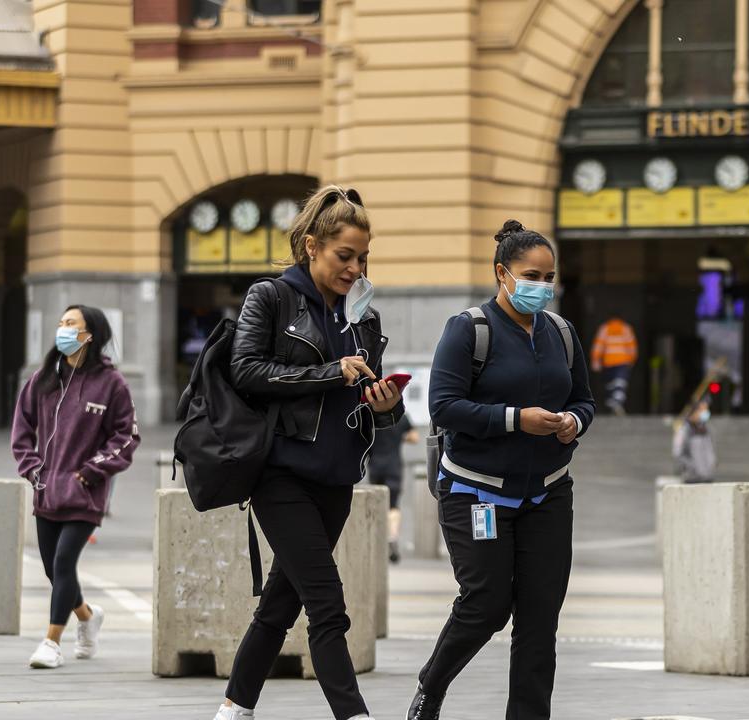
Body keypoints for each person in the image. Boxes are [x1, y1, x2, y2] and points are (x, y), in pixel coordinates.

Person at [213, 185, 402, 720]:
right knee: (327, 605)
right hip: (280, 473)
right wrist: (327, 372)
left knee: (281, 603)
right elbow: (245, 370)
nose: (355, 267)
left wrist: (385, 404)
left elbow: (368, 402)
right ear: (313, 245)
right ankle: (354, 714)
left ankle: (234, 707)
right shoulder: (271, 297)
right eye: (346, 255)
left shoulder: (363, 315)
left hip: (336, 478)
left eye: (363, 257)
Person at [410, 219, 595, 720]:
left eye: (549, 277)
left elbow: (584, 400)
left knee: (540, 620)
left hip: (549, 493)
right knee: (486, 605)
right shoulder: (468, 329)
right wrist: (518, 420)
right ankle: (432, 686)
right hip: (478, 493)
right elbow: (444, 407)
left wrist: (573, 422)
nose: (542, 286)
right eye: (531, 275)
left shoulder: (561, 332)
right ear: (502, 274)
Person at [11, 305, 140, 669]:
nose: (63, 329)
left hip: (85, 491)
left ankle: (51, 642)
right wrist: (33, 470)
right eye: (61, 323)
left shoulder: (111, 383)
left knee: (65, 561)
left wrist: (91, 472)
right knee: (54, 569)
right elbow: (21, 431)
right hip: (47, 490)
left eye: (71, 324)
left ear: (90, 334)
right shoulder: (42, 380)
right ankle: (87, 616)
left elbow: (126, 436)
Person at [367, 411, 419, 562]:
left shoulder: (371, 414)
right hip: (393, 466)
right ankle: (392, 537)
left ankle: (376, 539)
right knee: (393, 506)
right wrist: (399, 437)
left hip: (374, 466)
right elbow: (415, 438)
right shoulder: (401, 416)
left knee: (376, 503)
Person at [590, 314, 638, 415]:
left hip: (609, 361)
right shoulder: (626, 328)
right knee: (620, 383)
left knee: (611, 384)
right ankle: (615, 402)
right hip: (622, 361)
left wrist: (596, 361)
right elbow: (632, 346)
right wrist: (632, 360)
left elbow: (598, 345)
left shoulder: (605, 328)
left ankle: (614, 402)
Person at [672, 399, 716, 483]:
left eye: (706, 410)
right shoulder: (684, 430)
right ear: (695, 412)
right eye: (702, 410)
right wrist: (692, 468)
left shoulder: (706, 430)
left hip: (707, 478)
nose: (706, 413)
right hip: (692, 479)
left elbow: (710, 451)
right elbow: (678, 453)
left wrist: (711, 465)